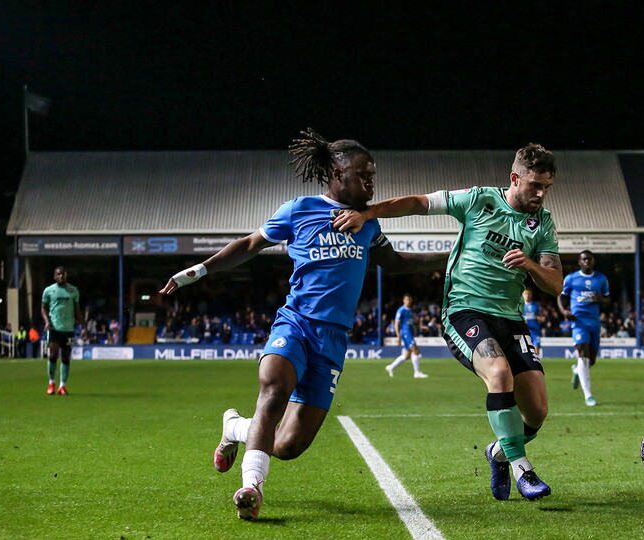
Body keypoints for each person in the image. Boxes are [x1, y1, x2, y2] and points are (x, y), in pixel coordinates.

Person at [160, 128, 446, 521]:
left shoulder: (368, 224)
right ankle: (252, 488)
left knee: (288, 445)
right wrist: (200, 270)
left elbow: (396, 263)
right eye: (363, 175)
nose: (371, 183)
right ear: (337, 173)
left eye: (373, 176)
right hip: (295, 323)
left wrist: (451, 256)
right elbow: (250, 244)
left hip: (333, 339)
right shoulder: (299, 209)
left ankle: (235, 429)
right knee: (273, 390)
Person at [334, 142, 562, 501]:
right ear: (515, 178)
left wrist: (530, 264)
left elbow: (555, 283)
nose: (540, 194)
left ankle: (499, 452)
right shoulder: (478, 200)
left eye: (546, 187)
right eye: (535, 185)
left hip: (511, 318)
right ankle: (523, 469)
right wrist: (367, 213)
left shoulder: (543, 223)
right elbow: (418, 203)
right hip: (465, 310)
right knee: (499, 374)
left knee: (537, 412)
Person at [557, 250, 609, 407]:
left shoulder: (601, 279)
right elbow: (561, 295)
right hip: (578, 321)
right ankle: (588, 396)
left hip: (594, 321)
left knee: (591, 360)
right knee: (583, 355)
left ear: (593, 261)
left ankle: (576, 370)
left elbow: (608, 299)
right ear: (579, 262)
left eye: (589, 259)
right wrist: (564, 311)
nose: (587, 261)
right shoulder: (571, 278)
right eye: (584, 259)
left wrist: (600, 299)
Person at [41, 266, 83, 395]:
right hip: (54, 328)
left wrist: (84, 325)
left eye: (63, 274)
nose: (61, 276)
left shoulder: (73, 291)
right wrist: (47, 322)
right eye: (58, 274)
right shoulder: (49, 290)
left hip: (68, 329)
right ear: (54, 276)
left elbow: (77, 310)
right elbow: (43, 308)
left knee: (66, 357)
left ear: (66, 275)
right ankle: (51, 383)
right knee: (53, 355)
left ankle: (62, 386)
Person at [385, 294, 428, 378]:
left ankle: (391, 367)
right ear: (403, 300)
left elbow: (412, 322)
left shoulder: (410, 311)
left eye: (410, 299)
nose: (408, 301)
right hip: (405, 333)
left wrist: (419, 325)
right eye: (407, 299)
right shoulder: (401, 310)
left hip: (409, 332)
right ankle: (417, 373)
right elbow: (396, 323)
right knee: (416, 350)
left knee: (407, 355)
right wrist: (398, 336)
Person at [523, 288, 543, 357]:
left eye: (529, 294)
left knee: (536, 349)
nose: (527, 295)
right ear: (522, 295)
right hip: (525, 331)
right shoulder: (520, 305)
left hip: (536, 331)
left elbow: (540, 315)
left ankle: (537, 361)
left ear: (531, 295)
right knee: (526, 350)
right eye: (526, 294)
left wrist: (541, 318)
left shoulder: (536, 305)